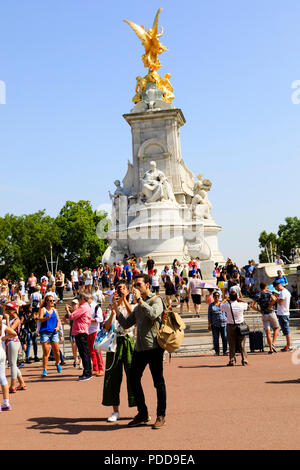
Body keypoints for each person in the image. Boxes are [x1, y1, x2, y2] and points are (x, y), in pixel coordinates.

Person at [115, 274, 166, 430]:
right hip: (140, 349)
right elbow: (125, 324)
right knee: (133, 380)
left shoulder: (156, 300)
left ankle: (161, 415)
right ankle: (142, 412)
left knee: (158, 382)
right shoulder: (137, 307)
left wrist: (139, 301)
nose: (136, 288)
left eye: (138, 284)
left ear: (148, 285)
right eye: (134, 285)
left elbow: (153, 314)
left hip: (155, 347)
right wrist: (116, 308)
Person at [102, 281, 136, 422]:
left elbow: (133, 316)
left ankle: (140, 409)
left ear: (127, 291)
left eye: (122, 288)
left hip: (128, 340)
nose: (120, 290)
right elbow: (106, 327)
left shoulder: (133, 306)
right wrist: (113, 310)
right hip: (114, 343)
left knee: (134, 376)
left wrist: (124, 301)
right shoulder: (112, 308)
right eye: (118, 288)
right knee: (113, 377)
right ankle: (115, 411)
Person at [65, 292, 92, 381]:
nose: (78, 300)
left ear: (83, 299)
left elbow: (72, 316)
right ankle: (87, 372)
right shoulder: (85, 307)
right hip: (82, 331)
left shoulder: (83, 307)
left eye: (79, 298)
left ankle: (87, 373)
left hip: (80, 332)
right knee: (84, 353)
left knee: (84, 353)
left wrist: (68, 311)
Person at [220, 291, 249, 366]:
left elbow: (220, 305)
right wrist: (239, 299)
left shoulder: (227, 305)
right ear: (236, 297)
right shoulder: (240, 305)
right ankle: (244, 360)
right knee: (242, 344)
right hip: (241, 325)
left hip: (230, 325)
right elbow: (246, 303)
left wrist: (225, 299)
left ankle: (232, 360)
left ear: (230, 297)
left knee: (231, 344)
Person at [250, 282, 279, 354]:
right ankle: (273, 343)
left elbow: (251, 305)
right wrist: (271, 305)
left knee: (267, 332)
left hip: (264, 314)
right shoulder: (268, 293)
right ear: (265, 286)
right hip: (271, 312)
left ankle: (271, 349)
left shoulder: (258, 295)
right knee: (277, 328)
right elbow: (274, 299)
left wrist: (259, 310)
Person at [4, 302, 27, 392]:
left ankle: (12, 385)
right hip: (9, 342)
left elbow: (10, 330)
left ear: (14, 310)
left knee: (13, 364)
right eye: (7, 309)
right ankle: (22, 383)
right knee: (12, 363)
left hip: (14, 342)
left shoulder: (16, 320)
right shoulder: (11, 319)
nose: (7, 311)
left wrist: (6, 319)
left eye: (9, 309)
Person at [39, 295, 62, 377]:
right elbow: (40, 319)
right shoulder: (43, 309)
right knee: (46, 352)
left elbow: (58, 320)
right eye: (50, 300)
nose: (52, 302)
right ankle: (45, 369)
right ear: (47, 302)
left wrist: (57, 327)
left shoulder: (55, 310)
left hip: (54, 332)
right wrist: (46, 318)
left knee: (57, 352)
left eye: (53, 300)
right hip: (45, 333)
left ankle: (57, 363)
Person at [0, 315, 18, 411]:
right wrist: (3, 338)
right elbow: (14, 333)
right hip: (1, 353)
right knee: (2, 377)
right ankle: (6, 402)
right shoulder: (2, 325)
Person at [273, 280, 292, 351]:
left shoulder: (283, 293)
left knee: (286, 330)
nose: (275, 289)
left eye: (275, 288)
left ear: (277, 286)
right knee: (285, 330)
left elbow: (280, 303)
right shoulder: (285, 292)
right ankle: (288, 345)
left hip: (283, 313)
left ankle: (289, 346)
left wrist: (275, 298)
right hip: (283, 313)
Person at [87, 295, 104, 377]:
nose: (85, 301)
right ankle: (95, 368)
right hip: (88, 331)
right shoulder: (86, 306)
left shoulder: (96, 306)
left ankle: (101, 368)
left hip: (95, 331)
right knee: (91, 351)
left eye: (86, 299)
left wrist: (90, 320)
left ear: (91, 298)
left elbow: (100, 319)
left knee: (97, 350)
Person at [208, 291, 228, 356]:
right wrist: (209, 324)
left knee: (224, 337)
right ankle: (217, 352)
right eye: (215, 296)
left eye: (218, 296)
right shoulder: (211, 305)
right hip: (215, 324)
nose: (217, 297)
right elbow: (209, 315)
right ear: (213, 297)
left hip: (223, 323)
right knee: (216, 338)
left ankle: (225, 351)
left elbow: (226, 313)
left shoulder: (223, 304)